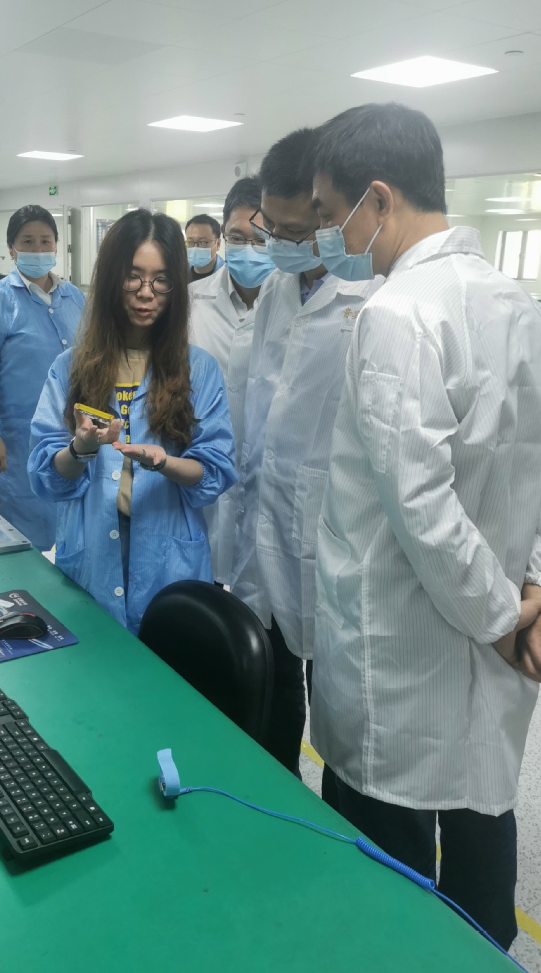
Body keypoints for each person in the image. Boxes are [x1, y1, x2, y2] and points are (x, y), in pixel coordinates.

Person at [309, 102, 541, 950]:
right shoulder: (528, 313)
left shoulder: (396, 316)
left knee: (385, 895)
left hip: (400, 657)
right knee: (479, 834)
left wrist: (504, 618)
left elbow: (419, 505)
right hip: (492, 644)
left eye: (329, 213)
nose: (326, 235)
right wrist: (537, 591)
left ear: (377, 200)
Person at [228, 130, 376, 781]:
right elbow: (262, 398)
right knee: (274, 688)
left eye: (296, 233)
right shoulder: (278, 290)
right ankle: (275, 794)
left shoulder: (374, 294)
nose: (281, 246)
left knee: (341, 710)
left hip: (338, 536)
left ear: (330, 216)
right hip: (266, 519)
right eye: (273, 229)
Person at [28, 209, 237, 635]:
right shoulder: (70, 368)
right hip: (91, 548)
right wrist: (81, 449)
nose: (146, 293)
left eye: (161, 280)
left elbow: (214, 471)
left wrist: (164, 462)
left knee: (168, 662)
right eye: (133, 277)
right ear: (111, 279)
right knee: (95, 661)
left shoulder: (199, 370)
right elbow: (46, 475)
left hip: (168, 555)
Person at [0, 206, 84, 550]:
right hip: (20, 438)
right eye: (27, 241)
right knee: (27, 526)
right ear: (12, 249)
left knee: (76, 520)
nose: (38, 249)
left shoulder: (75, 298)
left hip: (76, 431)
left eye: (45, 240)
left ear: (56, 244)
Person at [188, 176, 273, 585]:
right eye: (238, 237)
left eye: (261, 239)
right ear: (223, 235)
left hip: (268, 485)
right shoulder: (191, 302)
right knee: (200, 594)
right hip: (198, 474)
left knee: (259, 601)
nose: (249, 249)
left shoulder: (297, 305)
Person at [185, 214, 222, 283]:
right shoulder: (180, 273)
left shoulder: (228, 276)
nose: (195, 248)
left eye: (202, 242)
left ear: (218, 244)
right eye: (190, 242)